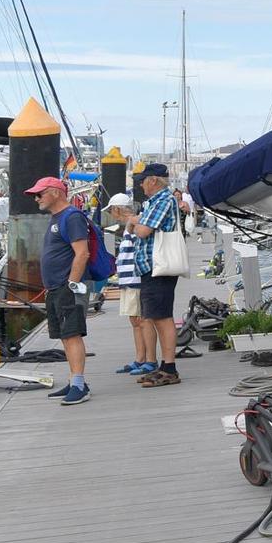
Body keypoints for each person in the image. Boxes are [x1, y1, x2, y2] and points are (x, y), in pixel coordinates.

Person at [26, 176, 92, 405]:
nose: (36, 199)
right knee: (65, 336)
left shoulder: (71, 217)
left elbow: (82, 253)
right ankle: (76, 380)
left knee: (72, 334)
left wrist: (72, 284)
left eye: (39, 194)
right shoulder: (57, 218)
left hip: (67, 287)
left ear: (55, 192)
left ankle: (79, 385)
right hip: (56, 287)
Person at [127, 163, 183, 388]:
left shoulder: (163, 200)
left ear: (153, 180)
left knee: (162, 317)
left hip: (159, 267)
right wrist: (135, 221)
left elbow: (142, 231)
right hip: (150, 268)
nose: (140, 184)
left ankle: (170, 368)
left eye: (143, 180)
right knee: (154, 316)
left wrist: (134, 220)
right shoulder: (153, 202)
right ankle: (163, 365)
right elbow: (136, 228)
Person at [104, 192, 155, 377]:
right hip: (127, 279)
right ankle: (140, 358)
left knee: (142, 320)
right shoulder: (128, 225)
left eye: (111, 210)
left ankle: (149, 359)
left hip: (135, 279)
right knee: (135, 321)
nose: (111, 214)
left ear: (117, 209)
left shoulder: (135, 223)